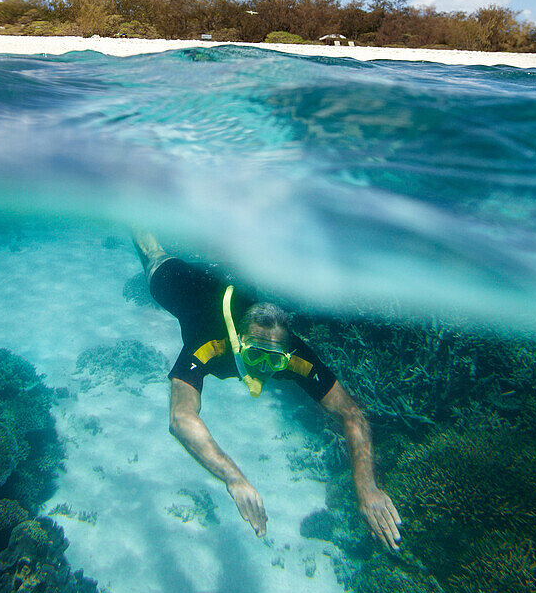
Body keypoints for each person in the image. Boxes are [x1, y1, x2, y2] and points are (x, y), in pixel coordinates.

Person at [133, 233, 402, 550]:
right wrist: (234, 477)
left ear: (287, 356)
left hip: (234, 282)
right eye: (253, 355)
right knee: (154, 257)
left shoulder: (294, 357)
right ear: (238, 343)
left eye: (273, 360)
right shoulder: (210, 344)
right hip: (185, 288)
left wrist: (367, 487)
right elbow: (180, 418)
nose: (262, 367)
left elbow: (351, 413)